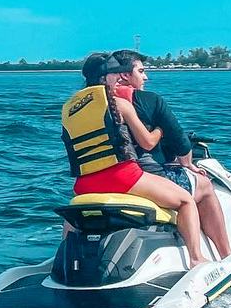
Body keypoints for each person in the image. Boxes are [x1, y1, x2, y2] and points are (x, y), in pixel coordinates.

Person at [61, 53, 208, 266]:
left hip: (84, 184)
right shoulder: (121, 104)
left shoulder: (69, 109)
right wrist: (160, 129)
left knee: (73, 218)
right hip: (122, 177)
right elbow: (147, 142)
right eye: (114, 75)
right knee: (185, 201)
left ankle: (65, 261)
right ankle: (197, 258)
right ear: (105, 78)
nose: (119, 79)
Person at [110, 50, 231, 259]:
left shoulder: (94, 104)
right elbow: (180, 141)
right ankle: (223, 255)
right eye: (141, 71)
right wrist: (188, 163)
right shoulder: (148, 101)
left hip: (105, 177)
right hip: (144, 177)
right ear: (124, 76)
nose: (145, 77)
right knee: (204, 186)